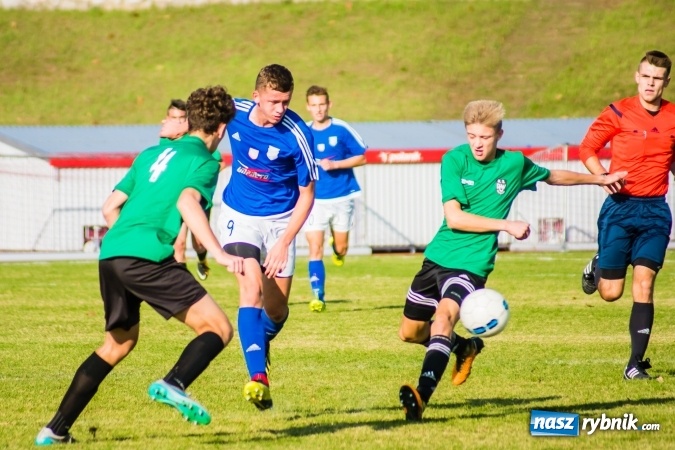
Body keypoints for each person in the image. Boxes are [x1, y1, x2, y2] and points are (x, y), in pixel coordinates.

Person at [35, 86, 243, 445]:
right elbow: (188, 202)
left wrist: (129, 244)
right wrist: (220, 253)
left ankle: (54, 430)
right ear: (222, 128)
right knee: (218, 328)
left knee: (117, 344)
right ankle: (174, 382)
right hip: (147, 256)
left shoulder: (150, 154)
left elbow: (109, 207)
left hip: (112, 252)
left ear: (190, 120)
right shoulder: (206, 161)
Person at [397, 99, 628, 421]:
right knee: (410, 333)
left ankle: (421, 397)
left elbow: (552, 176)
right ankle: (464, 347)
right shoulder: (454, 159)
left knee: (443, 318)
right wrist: (506, 225)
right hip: (437, 257)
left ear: (499, 135)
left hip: (471, 264)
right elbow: (454, 218)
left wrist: (599, 179)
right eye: (472, 136)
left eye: (484, 137)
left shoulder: (514, 164)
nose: (477, 144)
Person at [218, 64, 317, 411]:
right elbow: (201, 117)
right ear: (256, 96)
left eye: (286, 102)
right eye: (274, 101)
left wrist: (284, 241)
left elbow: (307, 195)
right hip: (239, 215)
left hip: (280, 222)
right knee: (250, 288)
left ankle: (262, 340)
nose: (280, 109)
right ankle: (258, 377)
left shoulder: (297, 135)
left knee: (276, 310)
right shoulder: (234, 110)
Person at [579, 50, 675, 380]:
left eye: (657, 78)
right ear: (637, 77)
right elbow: (587, 148)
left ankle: (635, 363)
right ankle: (598, 264)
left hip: (655, 212)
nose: (650, 83)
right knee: (611, 293)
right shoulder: (618, 111)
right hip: (619, 208)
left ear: (666, 82)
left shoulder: (673, 116)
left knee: (644, 284)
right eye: (645, 76)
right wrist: (602, 176)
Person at [303, 85, 367, 312]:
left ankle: (337, 248)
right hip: (314, 200)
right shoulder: (304, 132)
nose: (318, 109)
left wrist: (336, 164)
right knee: (315, 248)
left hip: (342, 196)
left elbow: (362, 157)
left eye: (322, 104)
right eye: (314, 105)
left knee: (342, 248)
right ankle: (318, 297)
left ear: (329, 105)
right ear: (308, 107)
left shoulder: (341, 129)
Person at [161, 99, 222, 281]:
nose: (178, 121)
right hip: (176, 200)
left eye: (182, 117)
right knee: (178, 244)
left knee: (199, 243)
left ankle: (202, 259)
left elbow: (218, 162)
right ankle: (183, 285)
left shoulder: (196, 140)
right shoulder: (163, 142)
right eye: (174, 117)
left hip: (195, 198)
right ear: (166, 119)